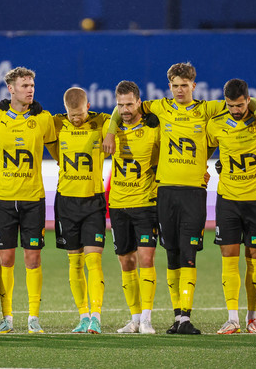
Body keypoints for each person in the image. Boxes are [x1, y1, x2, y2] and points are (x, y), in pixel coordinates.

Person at [103, 63, 256, 334]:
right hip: (166, 191)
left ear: (194, 85)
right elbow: (122, 108)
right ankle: (177, 316)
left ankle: (186, 317)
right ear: (169, 86)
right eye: (175, 86)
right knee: (171, 254)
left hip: (194, 192)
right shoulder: (160, 107)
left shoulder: (207, 109)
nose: (180, 90)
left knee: (189, 254)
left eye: (184, 85)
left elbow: (243, 102)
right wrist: (111, 131)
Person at [0, 67, 57, 334]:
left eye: (32, 85)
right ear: (10, 88)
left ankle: (33, 318)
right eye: (24, 85)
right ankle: (7, 318)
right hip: (3, 198)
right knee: (6, 259)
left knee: (33, 258)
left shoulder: (44, 119)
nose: (30, 90)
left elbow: (60, 152)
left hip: (33, 198)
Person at [206, 78, 256, 335]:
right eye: (230, 105)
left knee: (255, 257)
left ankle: (252, 318)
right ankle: (232, 318)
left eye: (240, 105)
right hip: (228, 200)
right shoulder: (216, 123)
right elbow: (205, 149)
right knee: (228, 256)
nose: (235, 110)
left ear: (249, 100)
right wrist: (205, 167)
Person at [45, 87, 109, 334]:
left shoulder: (101, 122)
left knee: (93, 260)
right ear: (66, 111)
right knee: (74, 261)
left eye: (80, 114)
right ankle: (83, 315)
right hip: (66, 201)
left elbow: (118, 116)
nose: (76, 119)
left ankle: (96, 317)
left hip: (93, 200)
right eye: (72, 115)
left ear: (88, 107)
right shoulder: (57, 123)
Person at [104, 81, 160, 335]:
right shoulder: (111, 127)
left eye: (129, 104)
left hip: (145, 203)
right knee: (126, 261)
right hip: (118, 204)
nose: (125, 109)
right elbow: (113, 117)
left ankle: (147, 318)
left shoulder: (153, 129)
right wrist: (110, 131)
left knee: (146, 258)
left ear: (139, 102)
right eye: (120, 105)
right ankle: (135, 319)